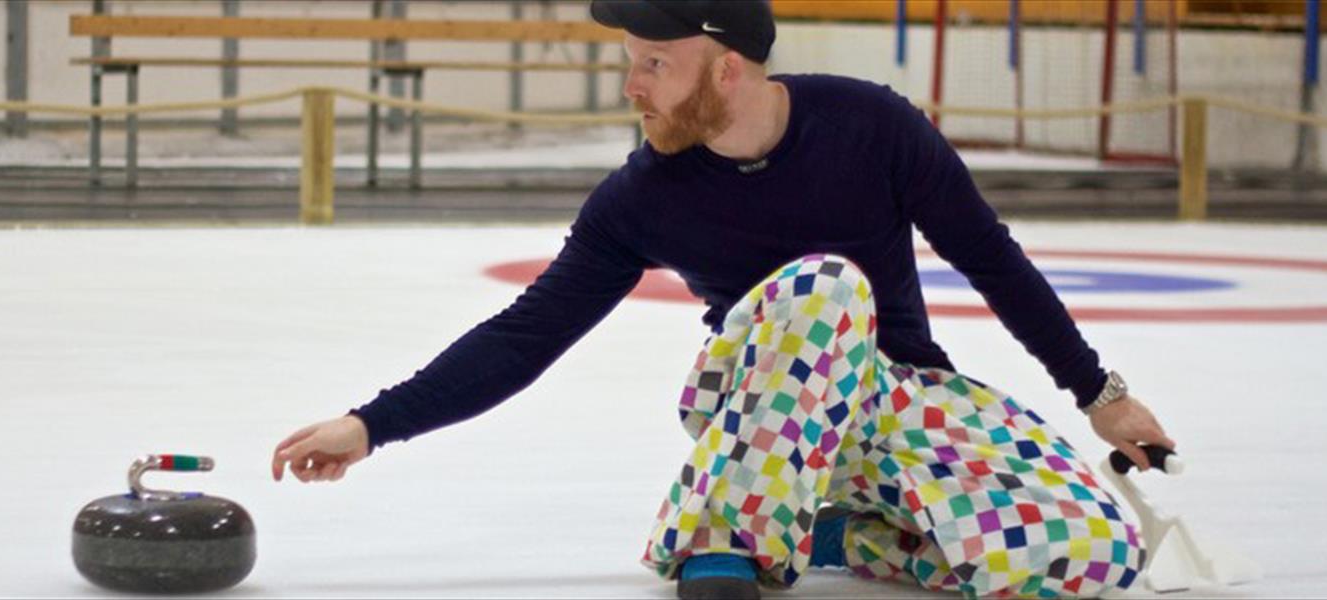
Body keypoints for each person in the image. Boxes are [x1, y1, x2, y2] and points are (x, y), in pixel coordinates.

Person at [270, 1, 1177, 598]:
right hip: (749, 405)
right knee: (827, 286)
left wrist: (1099, 395)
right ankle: (722, 543)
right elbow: (529, 331)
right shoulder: (642, 196)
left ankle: (835, 538)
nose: (632, 86)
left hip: (894, 401)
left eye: (654, 64)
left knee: (1094, 550)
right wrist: (369, 425)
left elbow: (989, 255)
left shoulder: (872, 127)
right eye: (631, 62)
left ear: (726, 68)